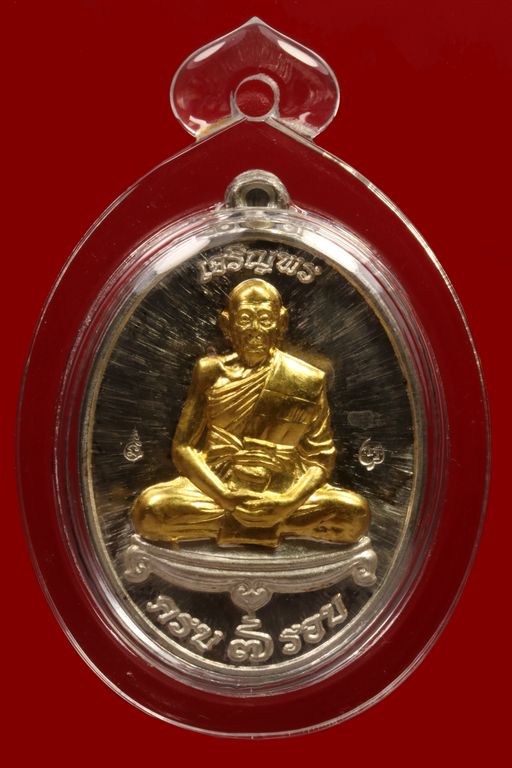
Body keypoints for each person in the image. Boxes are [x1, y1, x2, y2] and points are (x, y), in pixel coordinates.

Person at [132, 278, 370, 547]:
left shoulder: (307, 379)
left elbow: (321, 460)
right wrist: (225, 497)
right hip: (217, 489)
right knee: (150, 510)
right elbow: (184, 448)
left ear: (280, 323)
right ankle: (275, 525)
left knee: (355, 513)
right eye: (245, 319)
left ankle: (263, 520)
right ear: (227, 324)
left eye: (265, 320)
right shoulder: (210, 372)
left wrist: (287, 502)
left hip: (284, 491)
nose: (255, 331)